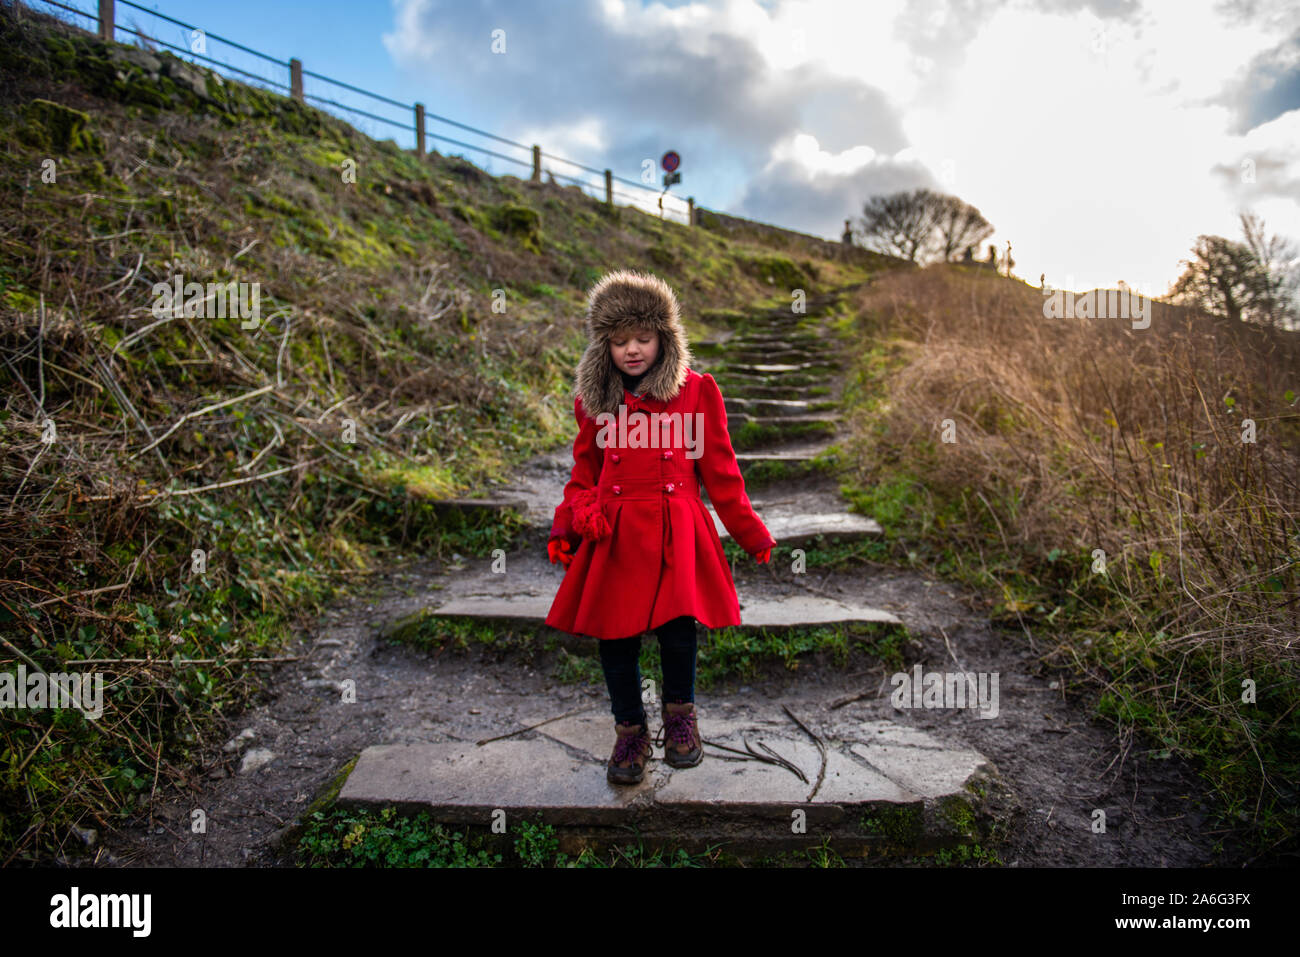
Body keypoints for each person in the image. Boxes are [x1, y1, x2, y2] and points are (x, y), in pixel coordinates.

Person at [545, 269, 776, 785]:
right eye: (619, 340)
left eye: (642, 338)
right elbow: (584, 473)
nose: (631, 349)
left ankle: (680, 720)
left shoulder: (695, 391)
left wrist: (750, 531)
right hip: (617, 534)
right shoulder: (595, 402)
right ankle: (629, 729)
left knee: (678, 631)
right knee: (615, 637)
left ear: (663, 337)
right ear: (604, 343)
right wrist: (569, 525)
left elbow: (721, 472)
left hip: (678, 528)